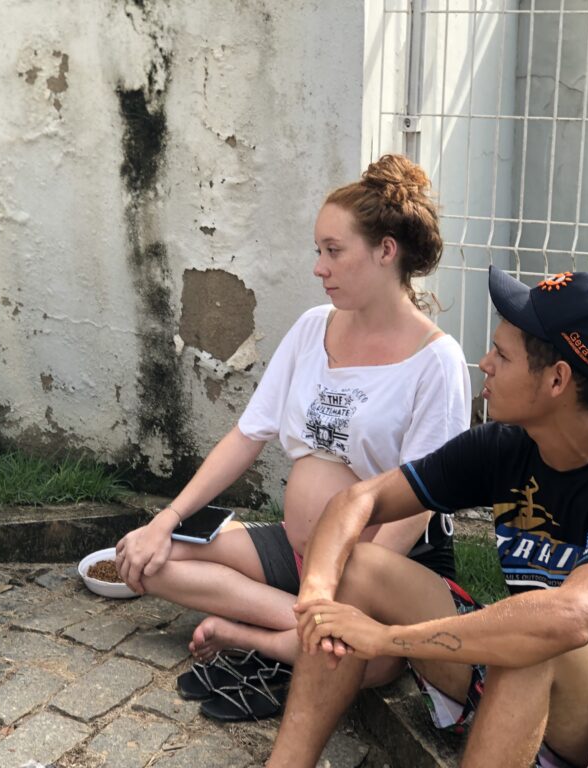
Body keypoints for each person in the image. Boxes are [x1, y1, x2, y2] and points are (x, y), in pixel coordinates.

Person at [268, 267, 588, 768]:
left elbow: (567, 619)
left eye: (502, 356)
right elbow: (356, 501)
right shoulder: (503, 447)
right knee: (357, 565)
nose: (484, 364)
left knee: (533, 641)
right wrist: (317, 594)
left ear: (557, 379)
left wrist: (385, 638)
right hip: (529, 664)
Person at [115, 155, 471, 713]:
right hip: (299, 551)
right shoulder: (312, 329)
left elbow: (418, 505)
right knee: (145, 558)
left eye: (333, 251)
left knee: (374, 661)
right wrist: (167, 519)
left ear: (385, 251)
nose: (318, 268)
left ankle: (259, 633)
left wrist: (346, 589)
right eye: (318, 250)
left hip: (376, 570)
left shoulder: (436, 361)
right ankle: (302, 631)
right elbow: (246, 435)